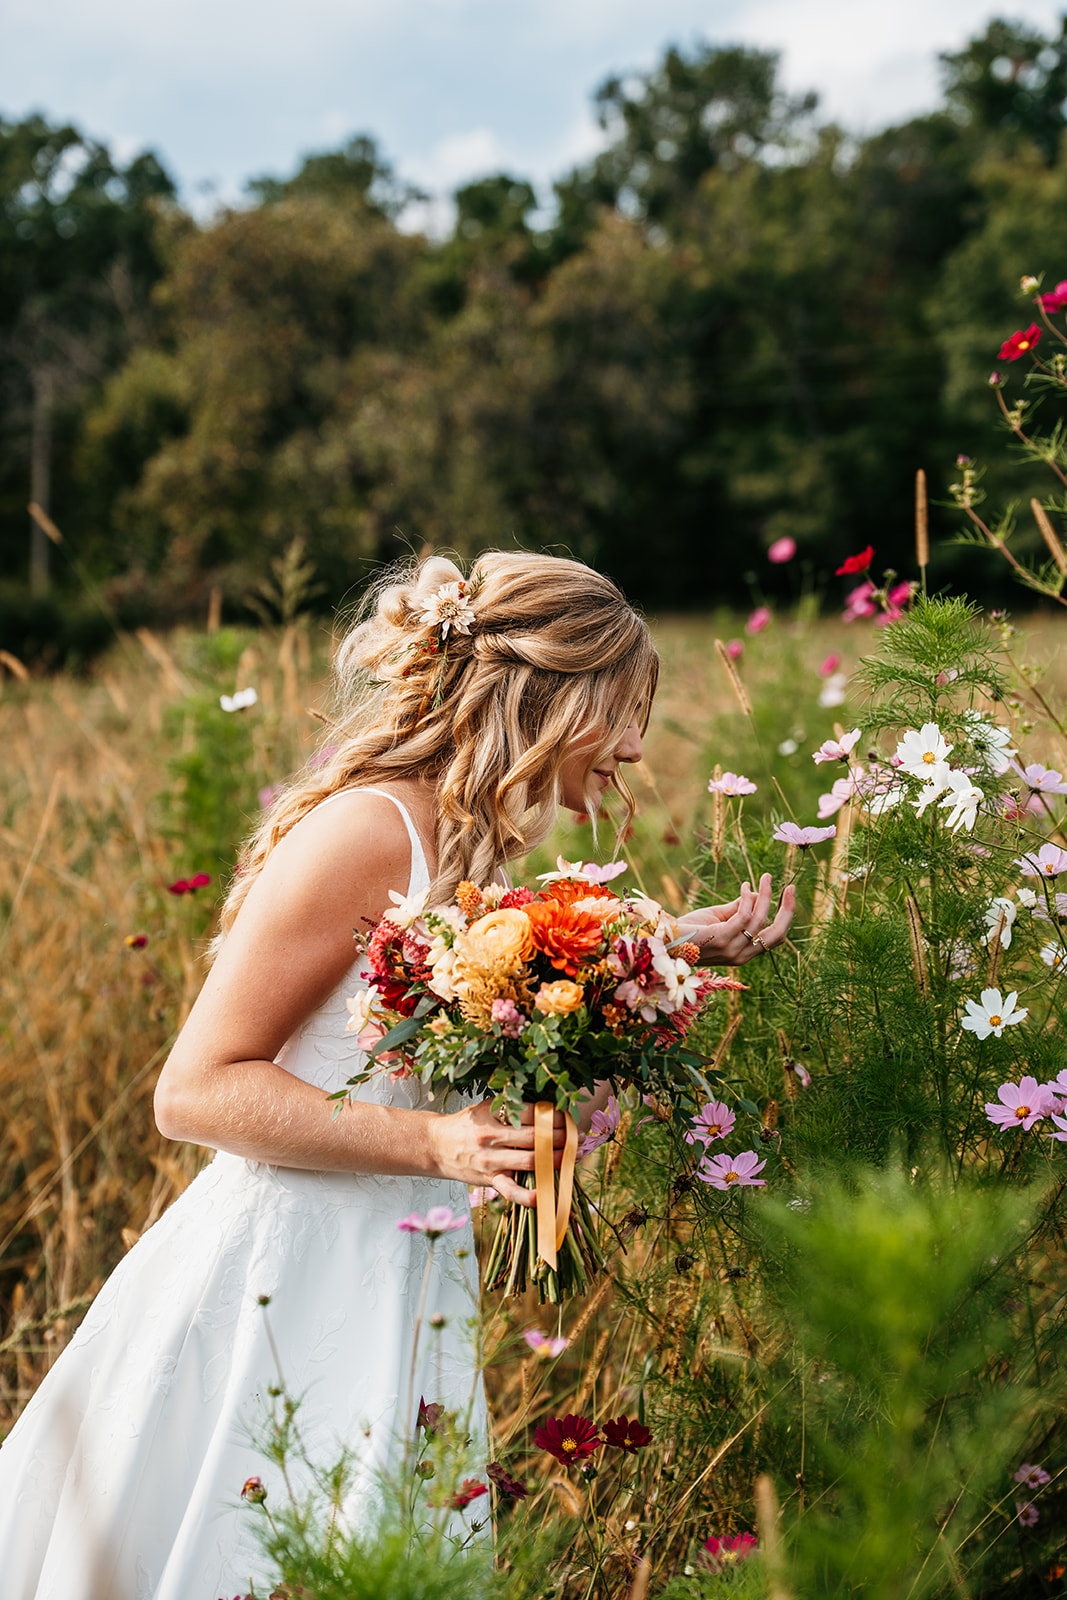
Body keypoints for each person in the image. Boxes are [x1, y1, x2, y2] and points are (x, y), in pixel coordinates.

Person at [0, 552, 794, 1598]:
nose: (636, 747)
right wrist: (434, 1144)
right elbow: (192, 1088)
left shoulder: (475, 846)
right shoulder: (365, 831)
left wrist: (650, 957)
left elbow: (484, 1033)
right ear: (542, 699)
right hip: (284, 1283)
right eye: (619, 710)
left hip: (405, 1272)